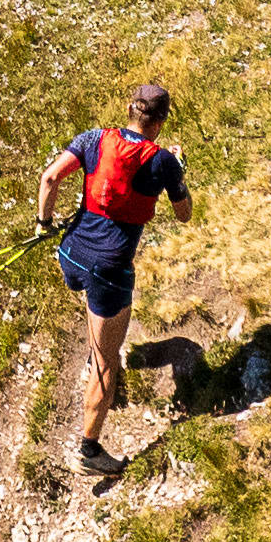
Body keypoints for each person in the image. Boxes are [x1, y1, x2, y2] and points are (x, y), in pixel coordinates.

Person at [30, 84, 191, 470]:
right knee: (107, 363)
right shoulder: (163, 161)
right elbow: (184, 214)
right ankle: (89, 450)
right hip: (109, 270)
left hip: (70, 253)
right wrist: (178, 171)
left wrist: (43, 223)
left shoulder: (93, 139)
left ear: (129, 110)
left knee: (94, 313)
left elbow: (50, 178)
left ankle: (94, 349)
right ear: (162, 120)